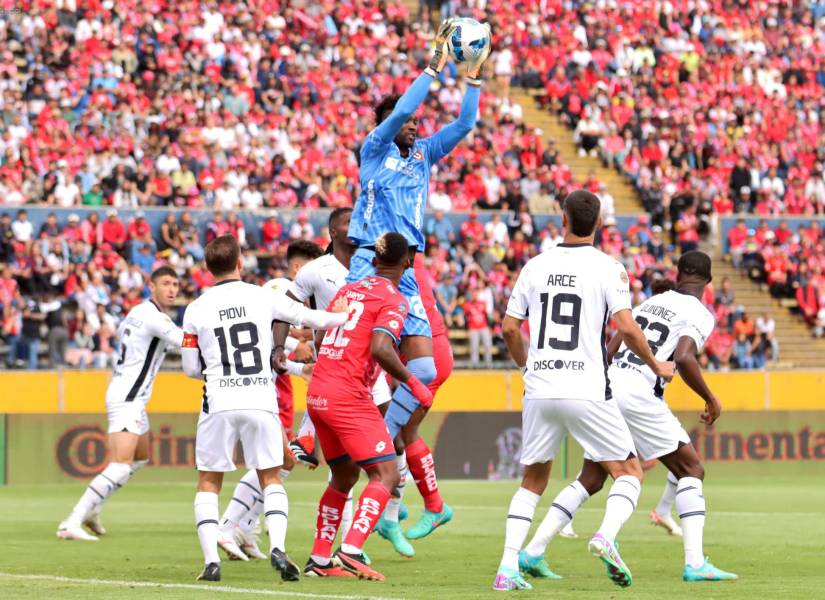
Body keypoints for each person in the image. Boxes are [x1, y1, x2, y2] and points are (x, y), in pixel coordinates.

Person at [493, 190, 675, 591]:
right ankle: (605, 536)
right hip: (587, 387)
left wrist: (527, 365)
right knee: (628, 471)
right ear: (598, 225)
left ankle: (507, 568)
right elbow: (626, 328)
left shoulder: (534, 266)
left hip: (540, 387)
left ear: (562, 219)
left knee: (532, 480)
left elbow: (509, 328)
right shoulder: (609, 268)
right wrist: (656, 364)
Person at [346, 16, 488, 528]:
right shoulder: (375, 150)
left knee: (425, 371)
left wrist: (472, 77)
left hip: (406, 269)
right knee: (353, 368)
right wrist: (433, 68)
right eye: (407, 122)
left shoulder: (423, 155)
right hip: (368, 261)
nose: (415, 126)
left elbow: (465, 125)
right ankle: (315, 436)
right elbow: (405, 106)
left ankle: (381, 442)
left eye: (415, 124)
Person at [521, 252, 738, 583]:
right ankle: (692, 562)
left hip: (607, 387)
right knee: (691, 469)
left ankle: (533, 551)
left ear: (679, 274)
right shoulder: (700, 313)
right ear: (707, 283)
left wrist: (602, 382)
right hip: (638, 392)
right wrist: (710, 398)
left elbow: (615, 341)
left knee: (591, 478)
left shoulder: (652, 302)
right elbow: (683, 355)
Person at [180, 235, 348, 583]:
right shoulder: (263, 296)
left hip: (219, 401)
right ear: (240, 263)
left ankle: (211, 561)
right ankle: (279, 549)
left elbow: (190, 368)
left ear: (208, 269)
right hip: (260, 397)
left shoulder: (195, 309)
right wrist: (340, 318)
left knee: (209, 481)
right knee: (271, 477)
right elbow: (305, 316)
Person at [215, 210, 360, 562]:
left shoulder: (279, 291)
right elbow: (271, 335)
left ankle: (245, 528)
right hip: (270, 383)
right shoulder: (281, 289)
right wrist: (298, 356)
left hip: (277, 382)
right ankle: (230, 524)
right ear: (300, 269)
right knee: (282, 460)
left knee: (284, 461)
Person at [303, 232, 433, 580]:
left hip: (318, 392)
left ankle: (319, 559)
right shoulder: (394, 299)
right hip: (348, 395)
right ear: (407, 262)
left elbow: (320, 336)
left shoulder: (348, 289)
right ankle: (350, 550)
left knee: (344, 476)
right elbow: (380, 347)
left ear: (374, 260)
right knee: (387, 473)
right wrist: (414, 382)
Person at [57, 267, 184, 541]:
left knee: (140, 458)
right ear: (151, 286)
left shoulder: (137, 311)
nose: (172, 289)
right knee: (121, 464)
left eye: (175, 284)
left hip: (128, 393)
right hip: (128, 397)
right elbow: (186, 341)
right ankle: (72, 521)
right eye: (165, 283)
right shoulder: (154, 318)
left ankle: (94, 509)